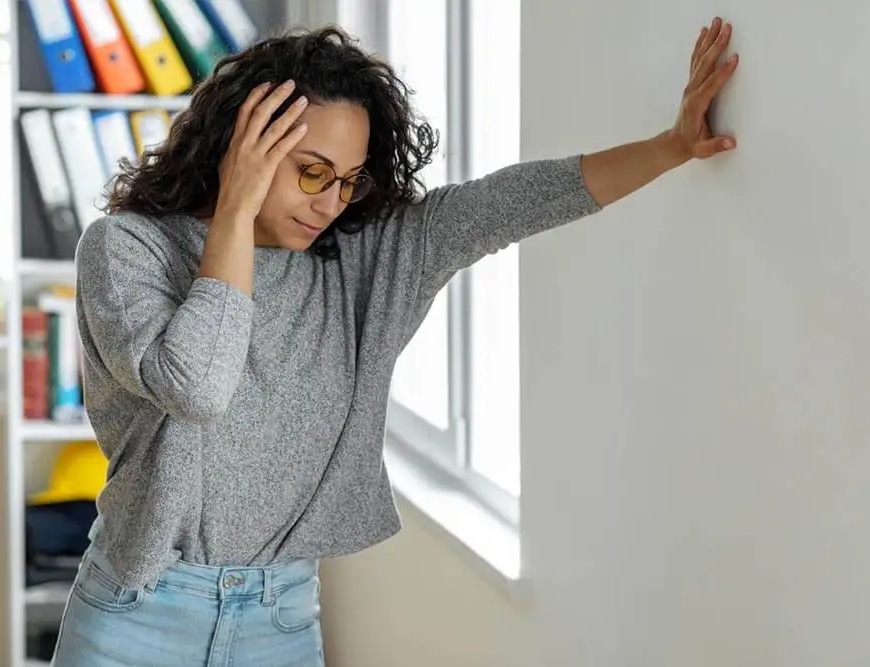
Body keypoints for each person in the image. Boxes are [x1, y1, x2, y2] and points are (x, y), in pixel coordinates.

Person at [50, 17, 739, 667]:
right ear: (241, 147)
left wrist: (671, 145)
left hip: (278, 621)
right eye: (310, 171)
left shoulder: (362, 259)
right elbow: (197, 385)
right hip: (136, 617)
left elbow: (511, 200)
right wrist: (234, 209)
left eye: (347, 182)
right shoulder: (126, 249)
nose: (328, 202)